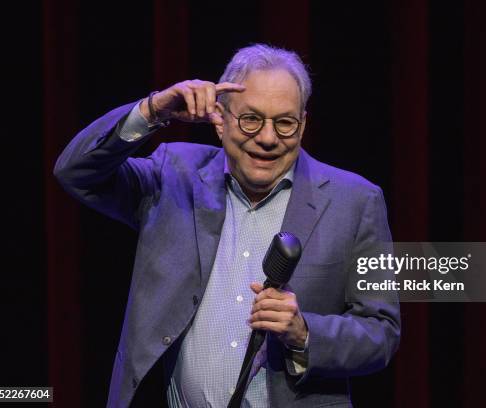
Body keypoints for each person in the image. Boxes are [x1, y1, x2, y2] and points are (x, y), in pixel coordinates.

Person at [54, 44, 401, 408]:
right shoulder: (173, 175)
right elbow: (77, 172)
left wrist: (304, 333)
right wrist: (153, 110)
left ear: (303, 125)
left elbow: (382, 331)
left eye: (284, 123)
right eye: (251, 119)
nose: (267, 138)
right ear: (220, 120)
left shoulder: (356, 202)